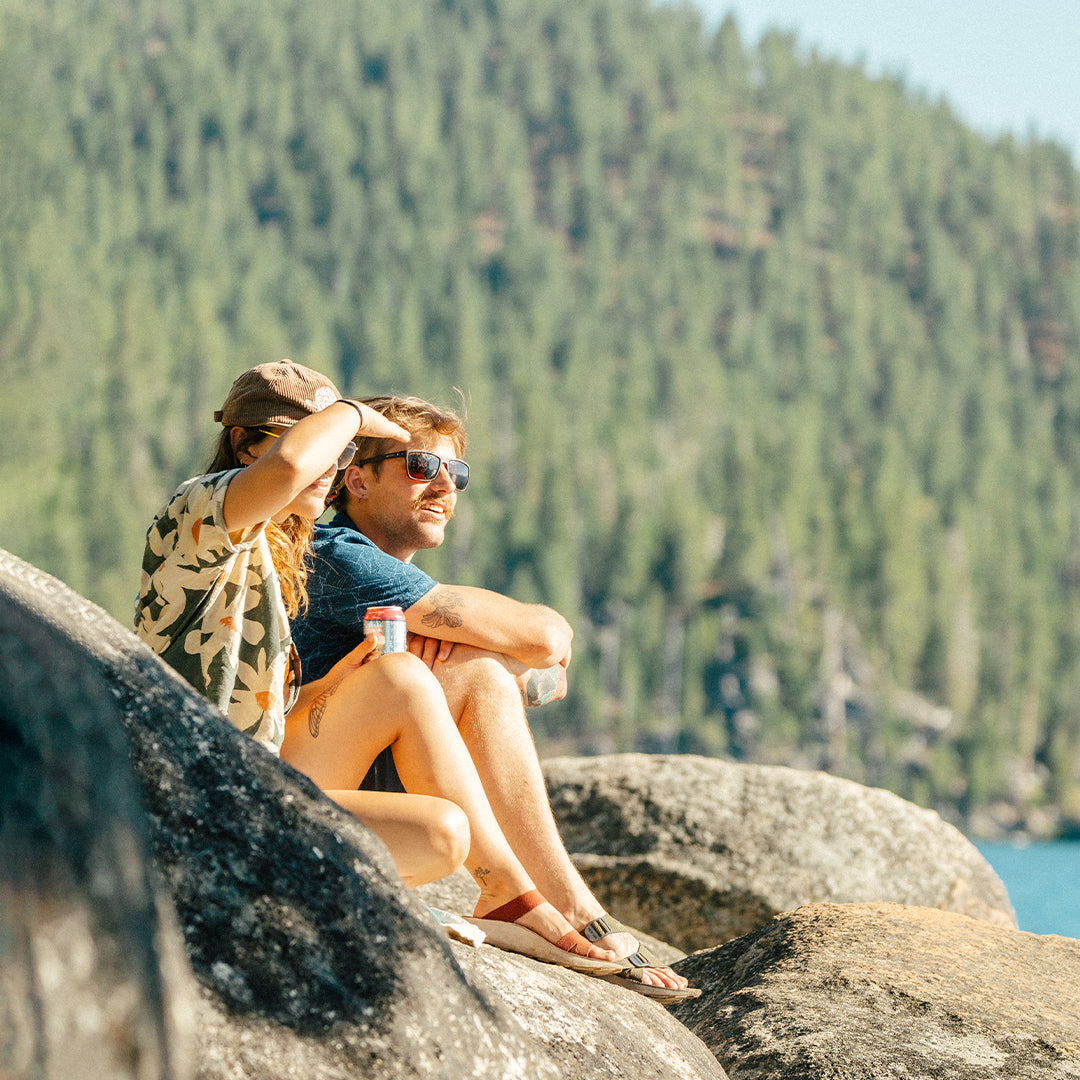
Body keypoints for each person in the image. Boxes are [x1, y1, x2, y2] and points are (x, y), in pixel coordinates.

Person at [133, 360, 627, 977]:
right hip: (201, 801)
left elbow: (260, 717)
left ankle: (509, 899)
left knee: (440, 810)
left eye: (341, 459)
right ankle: (520, 899)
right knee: (430, 737)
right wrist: (355, 419)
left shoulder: (283, 553)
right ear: (244, 444)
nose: (331, 472)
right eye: (327, 452)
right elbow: (286, 467)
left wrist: (352, 679)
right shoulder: (197, 519)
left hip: (261, 780)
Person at [291, 394, 698, 1001]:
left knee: (476, 669)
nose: (443, 488)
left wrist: (502, 659)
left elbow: (544, 660)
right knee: (472, 668)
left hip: (360, 777)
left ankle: (561, 902)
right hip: (303, 783)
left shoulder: (387, 573)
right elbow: (541, 639)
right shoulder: (338, 557)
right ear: (357, 479)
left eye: (456, 474)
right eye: (420, 467)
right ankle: (536, 901)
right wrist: (511, 658)